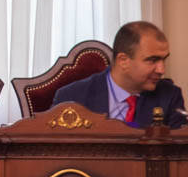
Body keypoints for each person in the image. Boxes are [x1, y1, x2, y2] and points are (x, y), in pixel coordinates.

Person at [51, 21, 186, 128]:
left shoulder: (170, 96)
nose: (161, 70)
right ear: (123, 61)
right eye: (153, 60)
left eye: (164, 59)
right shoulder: (72, 97)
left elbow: (179, 152)